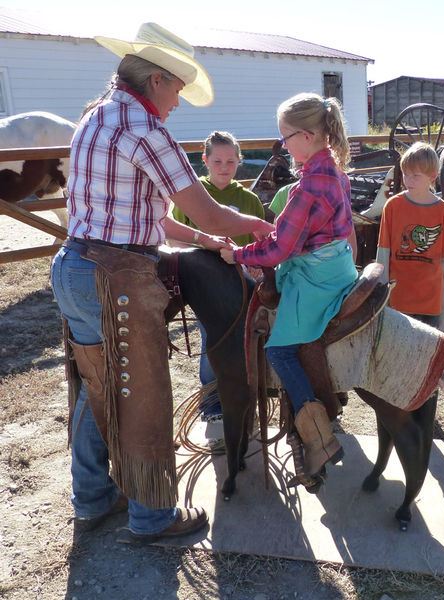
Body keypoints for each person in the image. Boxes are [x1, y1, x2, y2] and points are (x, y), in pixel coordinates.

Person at [50, 22, 273, 544]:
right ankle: (152, 516)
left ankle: (93, 498)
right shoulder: (147, 131)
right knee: (144, 393)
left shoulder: (96, 118)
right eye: (176, 89)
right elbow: (211, 212)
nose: (177, 102)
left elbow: (155, 218)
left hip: (75, 265)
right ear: (156, 80)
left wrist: (199, 236)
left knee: (98, 386)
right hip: (116, 276)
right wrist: (260, 226)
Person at [221, 92, 358, 481]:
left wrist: (240, 255)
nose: (282, 146)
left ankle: (318, 436)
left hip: (315, 277)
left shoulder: (307, 187)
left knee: (279, 351)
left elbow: (281, 248)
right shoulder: (335, 171)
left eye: (286, 138)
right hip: (337, 266)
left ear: (310, 135)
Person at [173, 131, 265, 422]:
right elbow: (176, 241)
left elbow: (259, 243)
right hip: (204, 281)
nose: (224, 167)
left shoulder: (248, 199)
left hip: (242, 280)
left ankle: (245, 399)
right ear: (205, 161)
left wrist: (255, 263)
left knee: (246, 339)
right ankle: (212, 404)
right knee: (213, 338)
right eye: (217, 161)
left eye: (230, 161)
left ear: (239, 161)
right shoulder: (192, 195)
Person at [376, 141, 444, 332]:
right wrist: (381, 299)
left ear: (432, 176)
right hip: (399, 301)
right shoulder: (393, 206)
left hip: (431, 303)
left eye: (415, 176)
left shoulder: (442, 211)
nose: (407, 180)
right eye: (405, 174)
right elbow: (383, 255)